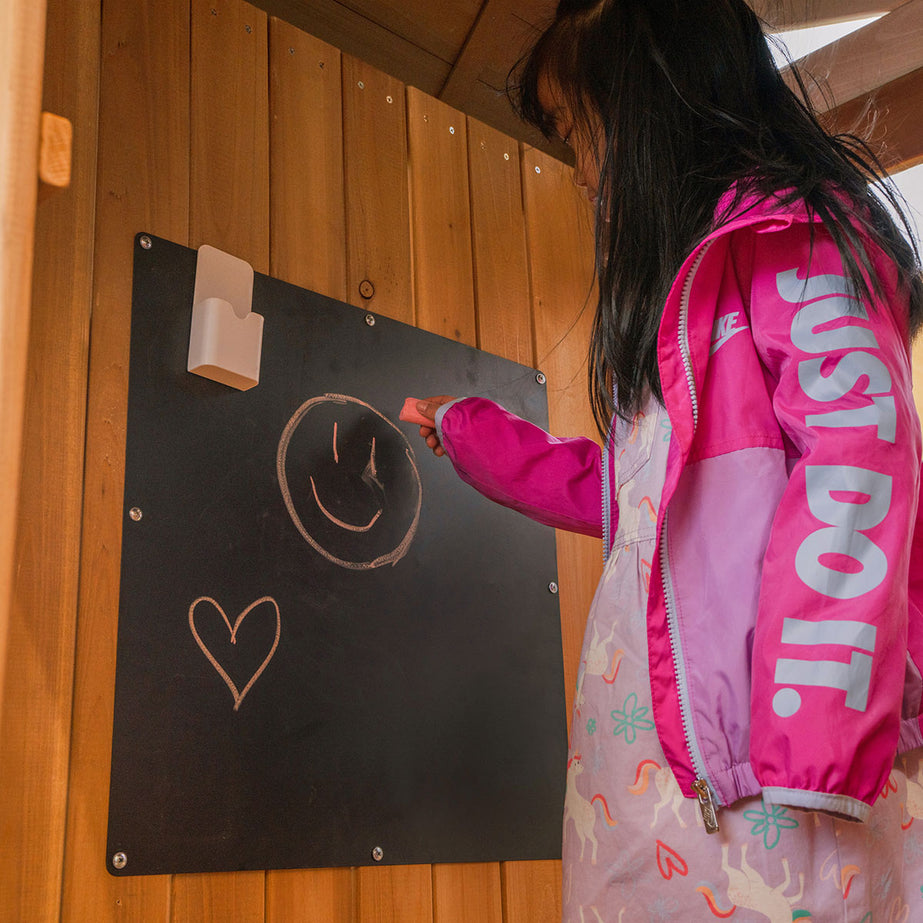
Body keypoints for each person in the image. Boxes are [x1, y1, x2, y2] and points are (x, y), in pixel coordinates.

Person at [407, 0, 923, 919]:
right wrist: (468, 431)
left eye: (575, 128)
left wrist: (811, 738)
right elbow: (621, 493)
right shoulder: (690, 296)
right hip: (655, 763)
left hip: (775, 767)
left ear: (644, 100)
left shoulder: (787, 238)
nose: (579, 168)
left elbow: (859, 456)